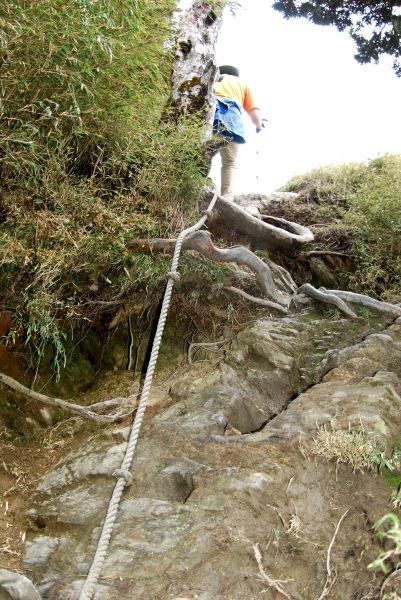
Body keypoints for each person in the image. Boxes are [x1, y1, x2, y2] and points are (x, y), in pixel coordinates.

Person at [213, 65, 265, 197]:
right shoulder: (241, 84)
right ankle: (227, 196)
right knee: (229, 162)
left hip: (209, 113)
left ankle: (198, 188)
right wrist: (259, 125)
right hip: (229, 118)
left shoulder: (214, 78)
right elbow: (253, 110)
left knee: (204, 155)